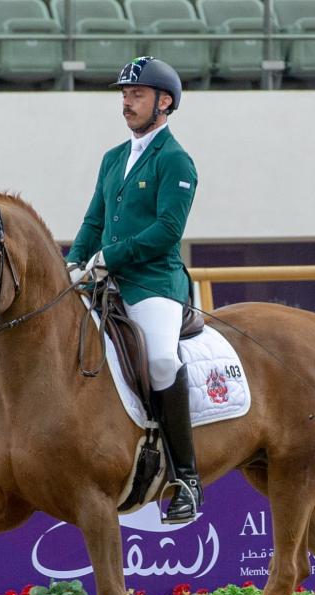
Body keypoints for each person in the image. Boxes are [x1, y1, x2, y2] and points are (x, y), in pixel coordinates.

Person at [65, 56, 202, 525]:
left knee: (162, 359)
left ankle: (186, 477)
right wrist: (73, 262)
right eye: (124, 94)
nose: (127, 101)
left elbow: (167, 230)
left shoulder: (175, 159)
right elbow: (94, 219)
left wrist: (110, 257)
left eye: (137, 94)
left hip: (154, 283)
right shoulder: (113, 158)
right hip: (105, 279)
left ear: (164, 103)